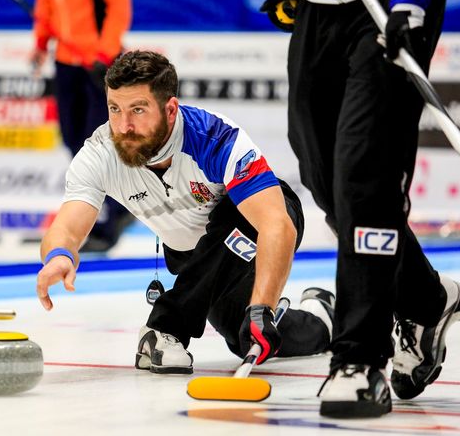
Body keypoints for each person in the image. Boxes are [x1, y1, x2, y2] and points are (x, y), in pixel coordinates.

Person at [36, 50, 335, 373]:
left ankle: (165, 329)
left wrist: (262, 306)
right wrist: (59, 256)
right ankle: (323, 317)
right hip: (194, 258)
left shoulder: (215, 138)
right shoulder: (100, 154)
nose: (123, 125)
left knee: (233, 233)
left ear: (170, 109)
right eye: (114, 109)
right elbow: (67, 228)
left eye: (138, 109)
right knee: (243, 336)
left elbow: (278, 224)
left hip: (255, 227)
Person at [260, 0, 460, 418]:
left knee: (365, 179)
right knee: (324, 180)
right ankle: (429, 301)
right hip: (318, 2)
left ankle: (359, 360)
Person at [31, 0, 134, 252]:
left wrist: (105, 52)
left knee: (100, 144)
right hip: (66, 61)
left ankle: (108, 219)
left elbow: (118, 10)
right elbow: (46, 8)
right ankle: (114, 206)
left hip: (100, 62)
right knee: (72, 138)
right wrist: (41, 42)